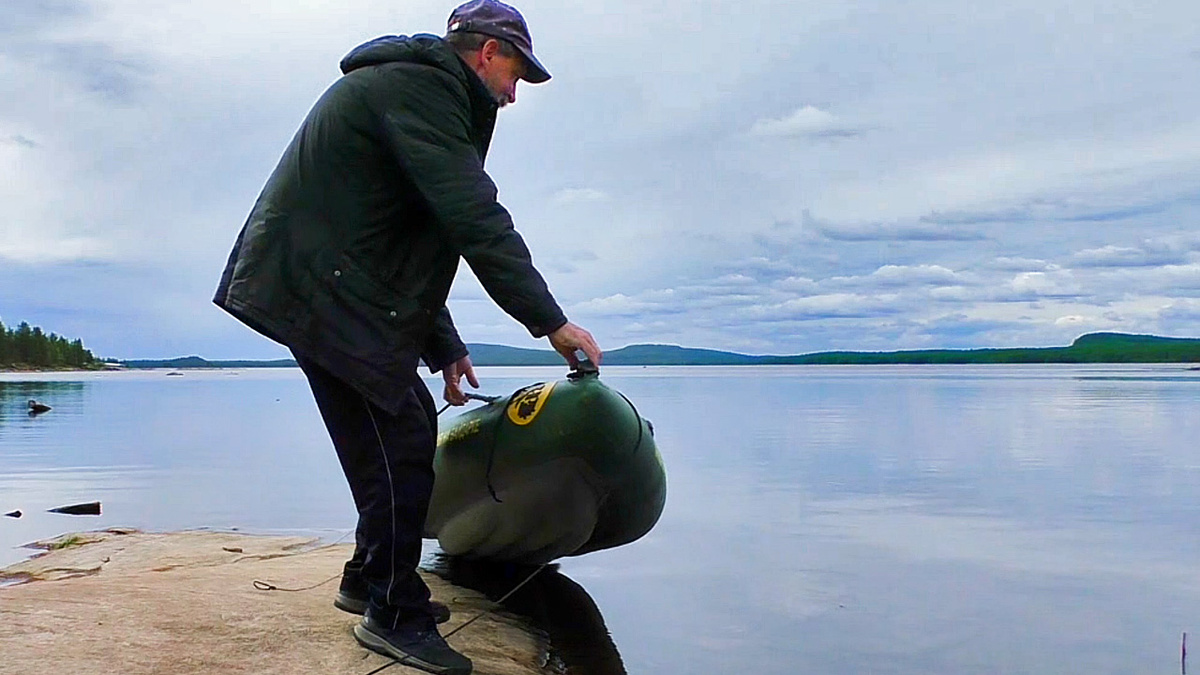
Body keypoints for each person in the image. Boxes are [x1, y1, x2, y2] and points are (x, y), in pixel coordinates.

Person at [213, 1, 601, 672]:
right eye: (515, 72)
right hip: (319, 286)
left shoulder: (421, 94)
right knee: (400, 440)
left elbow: (419, 233)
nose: (514, 93)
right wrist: (551, 320)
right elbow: (473, 216)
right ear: (486, 53)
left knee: (405, 424)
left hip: (334, 283)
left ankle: (369, 574)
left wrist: (442, 343)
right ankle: (391, 609)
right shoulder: (423, 89)